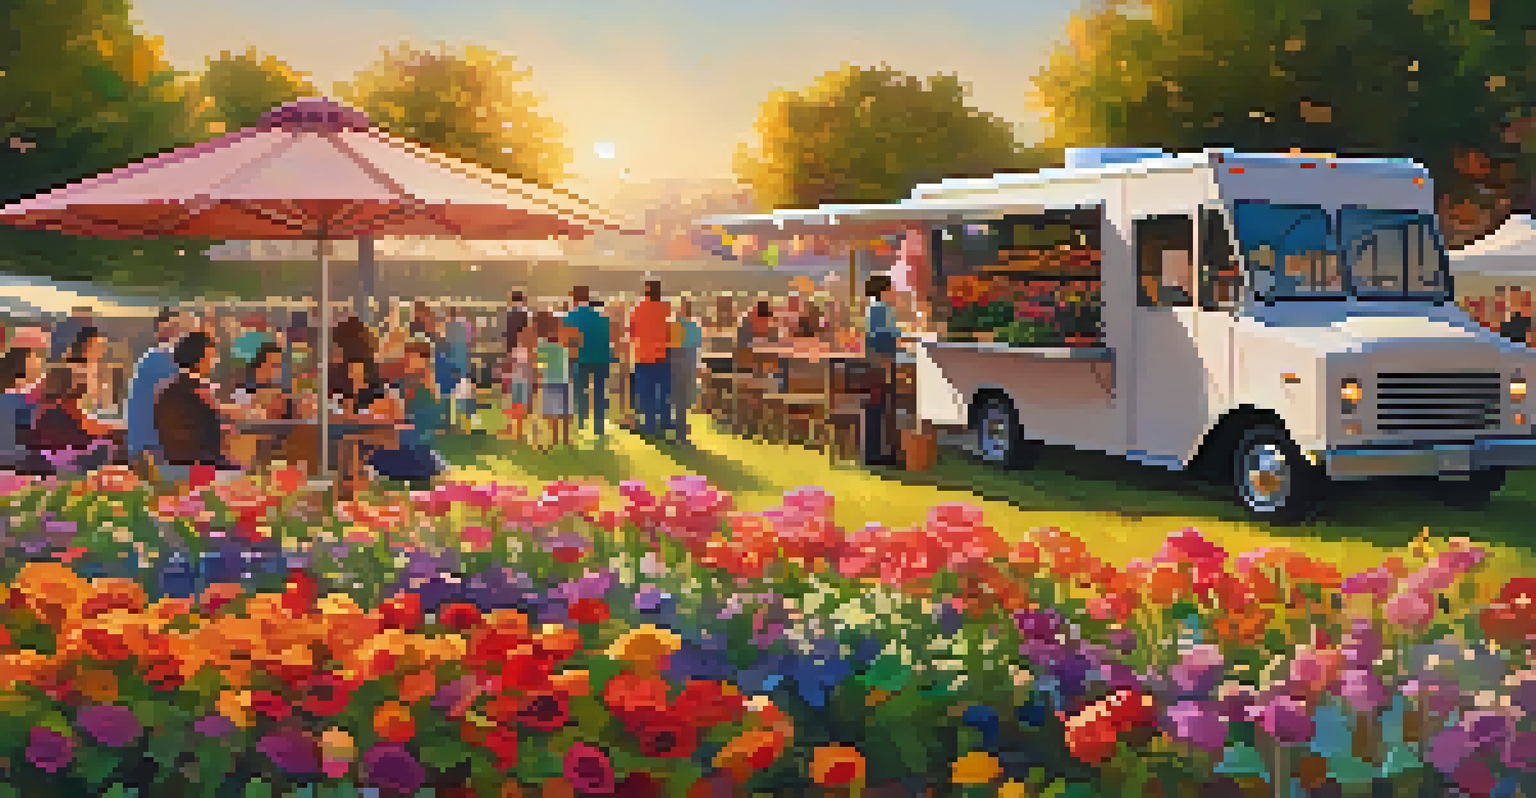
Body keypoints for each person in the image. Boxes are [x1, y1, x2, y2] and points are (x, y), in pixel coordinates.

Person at [154, 331, 238, 472]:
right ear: (198, 358)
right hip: (198, 462)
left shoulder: (173, 384)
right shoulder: (193, 385)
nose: (214, 361)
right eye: (211, 357)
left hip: (184, 458)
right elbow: (217, 411)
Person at [367, 341, 446, 484]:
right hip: (404, 438)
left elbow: (421, 427)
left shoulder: (427, 389)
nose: (406, 362)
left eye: (411, 359)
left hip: (414, 442)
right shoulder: (404, 383)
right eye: (406, 358)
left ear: (425, 362)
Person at [125, 309, 184, 468]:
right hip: (153, 442)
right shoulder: (160, 357)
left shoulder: (155, 357)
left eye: (177, 328)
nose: (175, 333)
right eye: (170, 328)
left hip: (148, 441)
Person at [32, 366, 121, 472]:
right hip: (73, 460)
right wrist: (112, 429)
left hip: (50, 459)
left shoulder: (43, 407)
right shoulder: (70, 404)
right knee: (111, 444)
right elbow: (88, 429)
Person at [563, 285, 614, 437]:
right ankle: (599, 425)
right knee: (599, 392)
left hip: (580, 359)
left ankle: (580, 423)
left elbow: (566, 341)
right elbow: (608, 338)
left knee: (579, 392)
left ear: (574, 298)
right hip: (601, 358)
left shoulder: (569, 317)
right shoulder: (601, 317)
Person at [864, 275, 901, 466]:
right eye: (891, 288)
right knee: (880, 406)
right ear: (883, 291)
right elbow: (881, 336)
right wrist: (899, 335)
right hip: (881, 362)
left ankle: (877, 452)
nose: (894, 291)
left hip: (877, 362)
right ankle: (879, 453)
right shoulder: (880, 309)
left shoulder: (874, 308)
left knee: (878, 406)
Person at [628, 281, 673, 438]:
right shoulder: (665, 308)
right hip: (662, 355)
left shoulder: (636, 309)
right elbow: (670, 331)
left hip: (643, 357)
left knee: (646, 394)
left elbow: (631, 333)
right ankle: (665, 423)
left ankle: (649, 426)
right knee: (663, 392)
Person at [535, 311, 576, 447]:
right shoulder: (563, 342)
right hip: (563, 379)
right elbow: (570, 358)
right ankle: (565, 439)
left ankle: (555, 439)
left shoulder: (542, 344)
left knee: (553, 413)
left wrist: (539, 378)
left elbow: (539, 363)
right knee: (564, 413)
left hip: (550, 380)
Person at [668, 298, 703, 442]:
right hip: (685, 365)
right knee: (681, 400)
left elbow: (671, 346)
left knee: (679, 399)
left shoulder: (677, 326)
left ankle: (680, 429)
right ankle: (680, 429)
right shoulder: (693, 326)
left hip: (680, 365)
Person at [500, 314, 537, 444]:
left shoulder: (528, 347)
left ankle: (518, 433)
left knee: (521, 407)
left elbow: (531, 364)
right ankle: (515, 431)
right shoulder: (520, 346)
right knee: (518, 406)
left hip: (523, 379)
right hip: (518, 378)